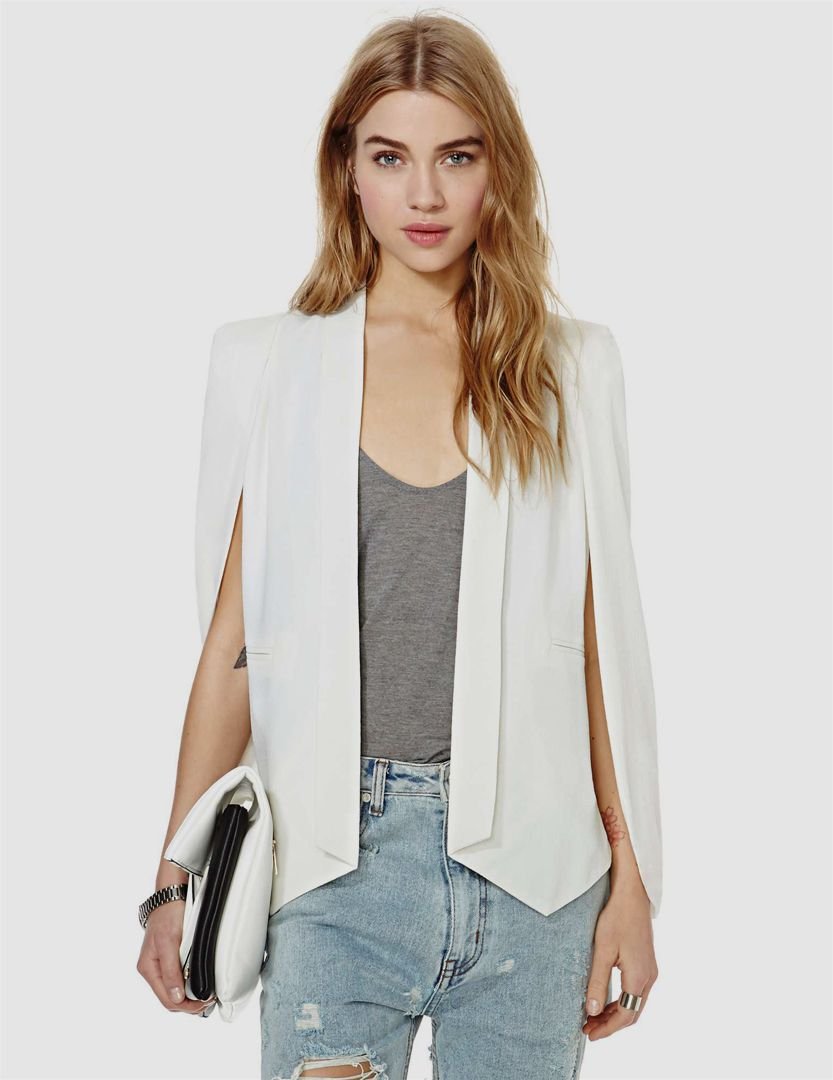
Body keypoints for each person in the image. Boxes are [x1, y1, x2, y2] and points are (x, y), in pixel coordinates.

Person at [136, 11, 661, 1079]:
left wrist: (632, 877)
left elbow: (598, 651)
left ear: (496, 170)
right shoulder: (271, 366)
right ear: (348, 169)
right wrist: (172, 878)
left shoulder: (570, 369)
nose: (424, 195)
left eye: (455, 157)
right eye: (390, 158)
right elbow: (236, 647)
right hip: (331, 866)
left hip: (534, 875)